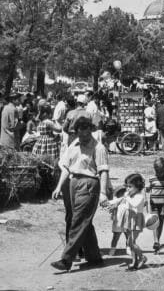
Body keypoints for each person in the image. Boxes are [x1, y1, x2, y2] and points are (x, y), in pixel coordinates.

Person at [50, 116, 109, 271]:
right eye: (80, 135)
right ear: (76, 133)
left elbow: (103, 171)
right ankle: (94, 258)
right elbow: (66, 168)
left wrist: (103, 192)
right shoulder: (73, 145)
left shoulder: (98, 148)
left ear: (91, 131)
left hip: (89, 184)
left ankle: (66, 259)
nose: (83, 138)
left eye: (86, 134)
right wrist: (58, 187)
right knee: (85, 222)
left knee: (78, 220)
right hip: (73, 183)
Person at [112, 173, 147, 270]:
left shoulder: (139, 196)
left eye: (130, 186)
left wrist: (127, 197)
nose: (128, 189)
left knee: (131, 242)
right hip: (129, 219)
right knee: (130, 242)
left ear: (137, 186)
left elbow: (135, 204)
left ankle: (142, 257)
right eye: (127, 186)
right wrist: (109, 202)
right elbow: (119, 200)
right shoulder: (130, 195)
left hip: (136, 220)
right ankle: (134, 261)